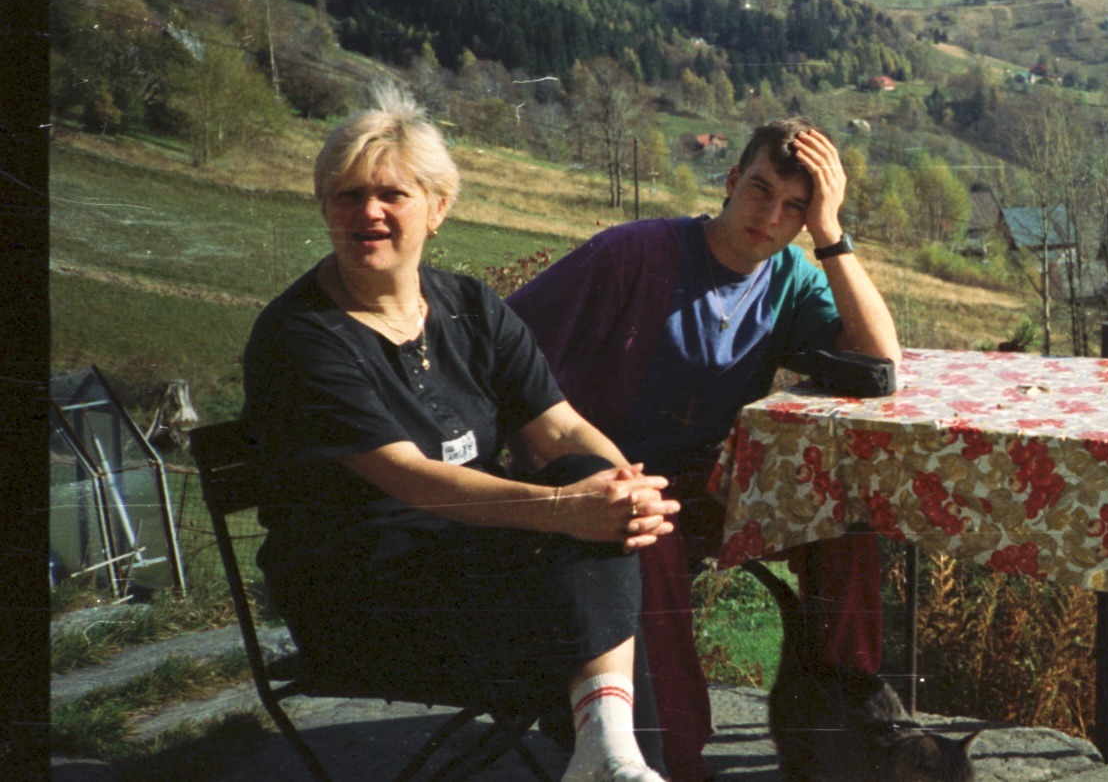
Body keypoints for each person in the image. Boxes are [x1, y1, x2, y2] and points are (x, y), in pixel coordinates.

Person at [243, 85, 677, 782]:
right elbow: (410, 478)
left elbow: (560, 424)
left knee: (600, 522)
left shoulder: (469, 306)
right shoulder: (301, 337)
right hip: (364, 599)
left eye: (391, 193)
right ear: (324, 208)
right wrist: (572, 511)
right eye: (347, 195)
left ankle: (612, 758)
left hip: (465, 568)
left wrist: (630, 491)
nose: (368, 213)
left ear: (437, 208)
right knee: (590, 571)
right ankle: (619, 758)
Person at [506, 118, 901, 782]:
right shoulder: (637, 253)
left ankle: (847, 736)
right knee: (650, 530)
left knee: (839, 515)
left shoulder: (788, 279)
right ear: (728, 182)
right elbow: (499, 345)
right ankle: (674, 756)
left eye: (795, 206)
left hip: (704, 483)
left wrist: (832, 234)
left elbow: (880, 362)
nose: (770, 214)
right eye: (759, 189)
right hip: (599, 488)